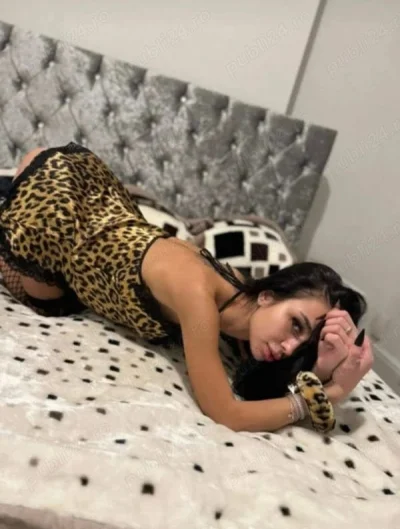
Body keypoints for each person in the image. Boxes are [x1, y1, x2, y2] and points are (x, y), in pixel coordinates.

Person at [0, 143, 374, 433]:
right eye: (295, 324)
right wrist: (332, 393)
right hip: (62, 209)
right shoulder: (199, 297)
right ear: (268, 295)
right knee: (44, 298)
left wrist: (322, 365)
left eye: (302, 344)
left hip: (104, 220)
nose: (289, 347)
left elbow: (258, 387)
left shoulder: (242, 304)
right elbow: (227, 413)